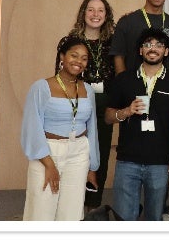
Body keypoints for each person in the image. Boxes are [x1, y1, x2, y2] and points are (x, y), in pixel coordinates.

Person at [104, 27, 169, 221]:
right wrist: (126, 111)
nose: (152, 48)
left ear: (166, 51)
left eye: (158, 45)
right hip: (127, 160)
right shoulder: (124, 80)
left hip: (160, 161)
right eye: (147, 44)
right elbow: (108, 116)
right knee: (124, 219)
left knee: (154, 218)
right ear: (140, 51)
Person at [23, 36, 100, 220]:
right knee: (42, 210)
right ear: (62, 57)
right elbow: (31, 128)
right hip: (48, 152)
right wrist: (49, 164)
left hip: (79, 151)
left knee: (71, 211)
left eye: (84, 58)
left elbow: (93, 128)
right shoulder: (42, 87)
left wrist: (93, 166)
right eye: (74, 56)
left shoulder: (88, 89)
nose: (79, 62)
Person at [64, 0, 116, 213]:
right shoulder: (69, 41)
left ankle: (92, 207)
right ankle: (70, 206)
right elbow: (61, 76)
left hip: (104, 104)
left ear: (107, 15)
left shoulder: (114, 42)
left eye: (101, 10)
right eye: (91, 10)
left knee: (100, 154)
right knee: (74, 151)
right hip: (77, 103)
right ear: (83, 13)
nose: (95, 14)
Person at [111, 0, 169, 75]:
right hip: (133, 84)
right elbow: (118, 55)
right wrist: (122, 81)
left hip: (164, 85)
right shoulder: (127, 21)